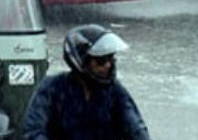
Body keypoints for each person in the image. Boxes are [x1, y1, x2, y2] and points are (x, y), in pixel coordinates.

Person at [23, 24, 152, 140]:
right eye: (101, 60)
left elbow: (136, 127)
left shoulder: (115, 90)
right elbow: (34, 131)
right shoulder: (52, 87)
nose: (107, 65)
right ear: (82, 61)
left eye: (111, 58)